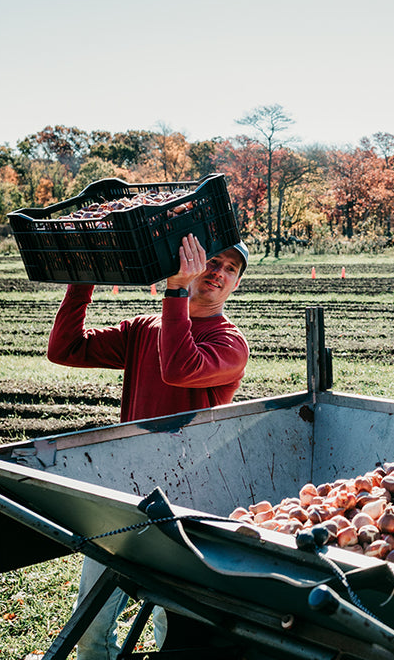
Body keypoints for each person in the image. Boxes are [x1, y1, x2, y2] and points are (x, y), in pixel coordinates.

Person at [46, 233, 249, 660]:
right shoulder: (144, 328)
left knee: (170, 621)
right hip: (126, 488)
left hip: (187, 497)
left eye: (231, 269)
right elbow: (66, 349)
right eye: (212, 260)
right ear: (190, 261)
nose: (218, 272)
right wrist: (83, 279)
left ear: (236, 285)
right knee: (92, 620)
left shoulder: (231, 343)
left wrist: (176, 291)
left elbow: (178, 367)